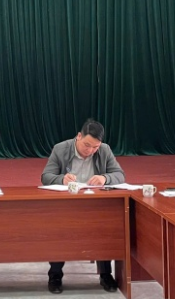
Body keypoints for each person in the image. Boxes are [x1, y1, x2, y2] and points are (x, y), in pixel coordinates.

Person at [41, 119, 125, 294]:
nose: (90, 150)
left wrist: (105, 178)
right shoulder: (61, 149)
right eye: (87, 145)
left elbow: (119, 175)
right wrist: (61, 179)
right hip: (66, 204)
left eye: (95, 147)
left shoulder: (104, 150)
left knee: (106, 227)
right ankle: (55, 275)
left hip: (95, 205)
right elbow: (46, 176)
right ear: (78, 136)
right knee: (58, 229)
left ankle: (105, 274)